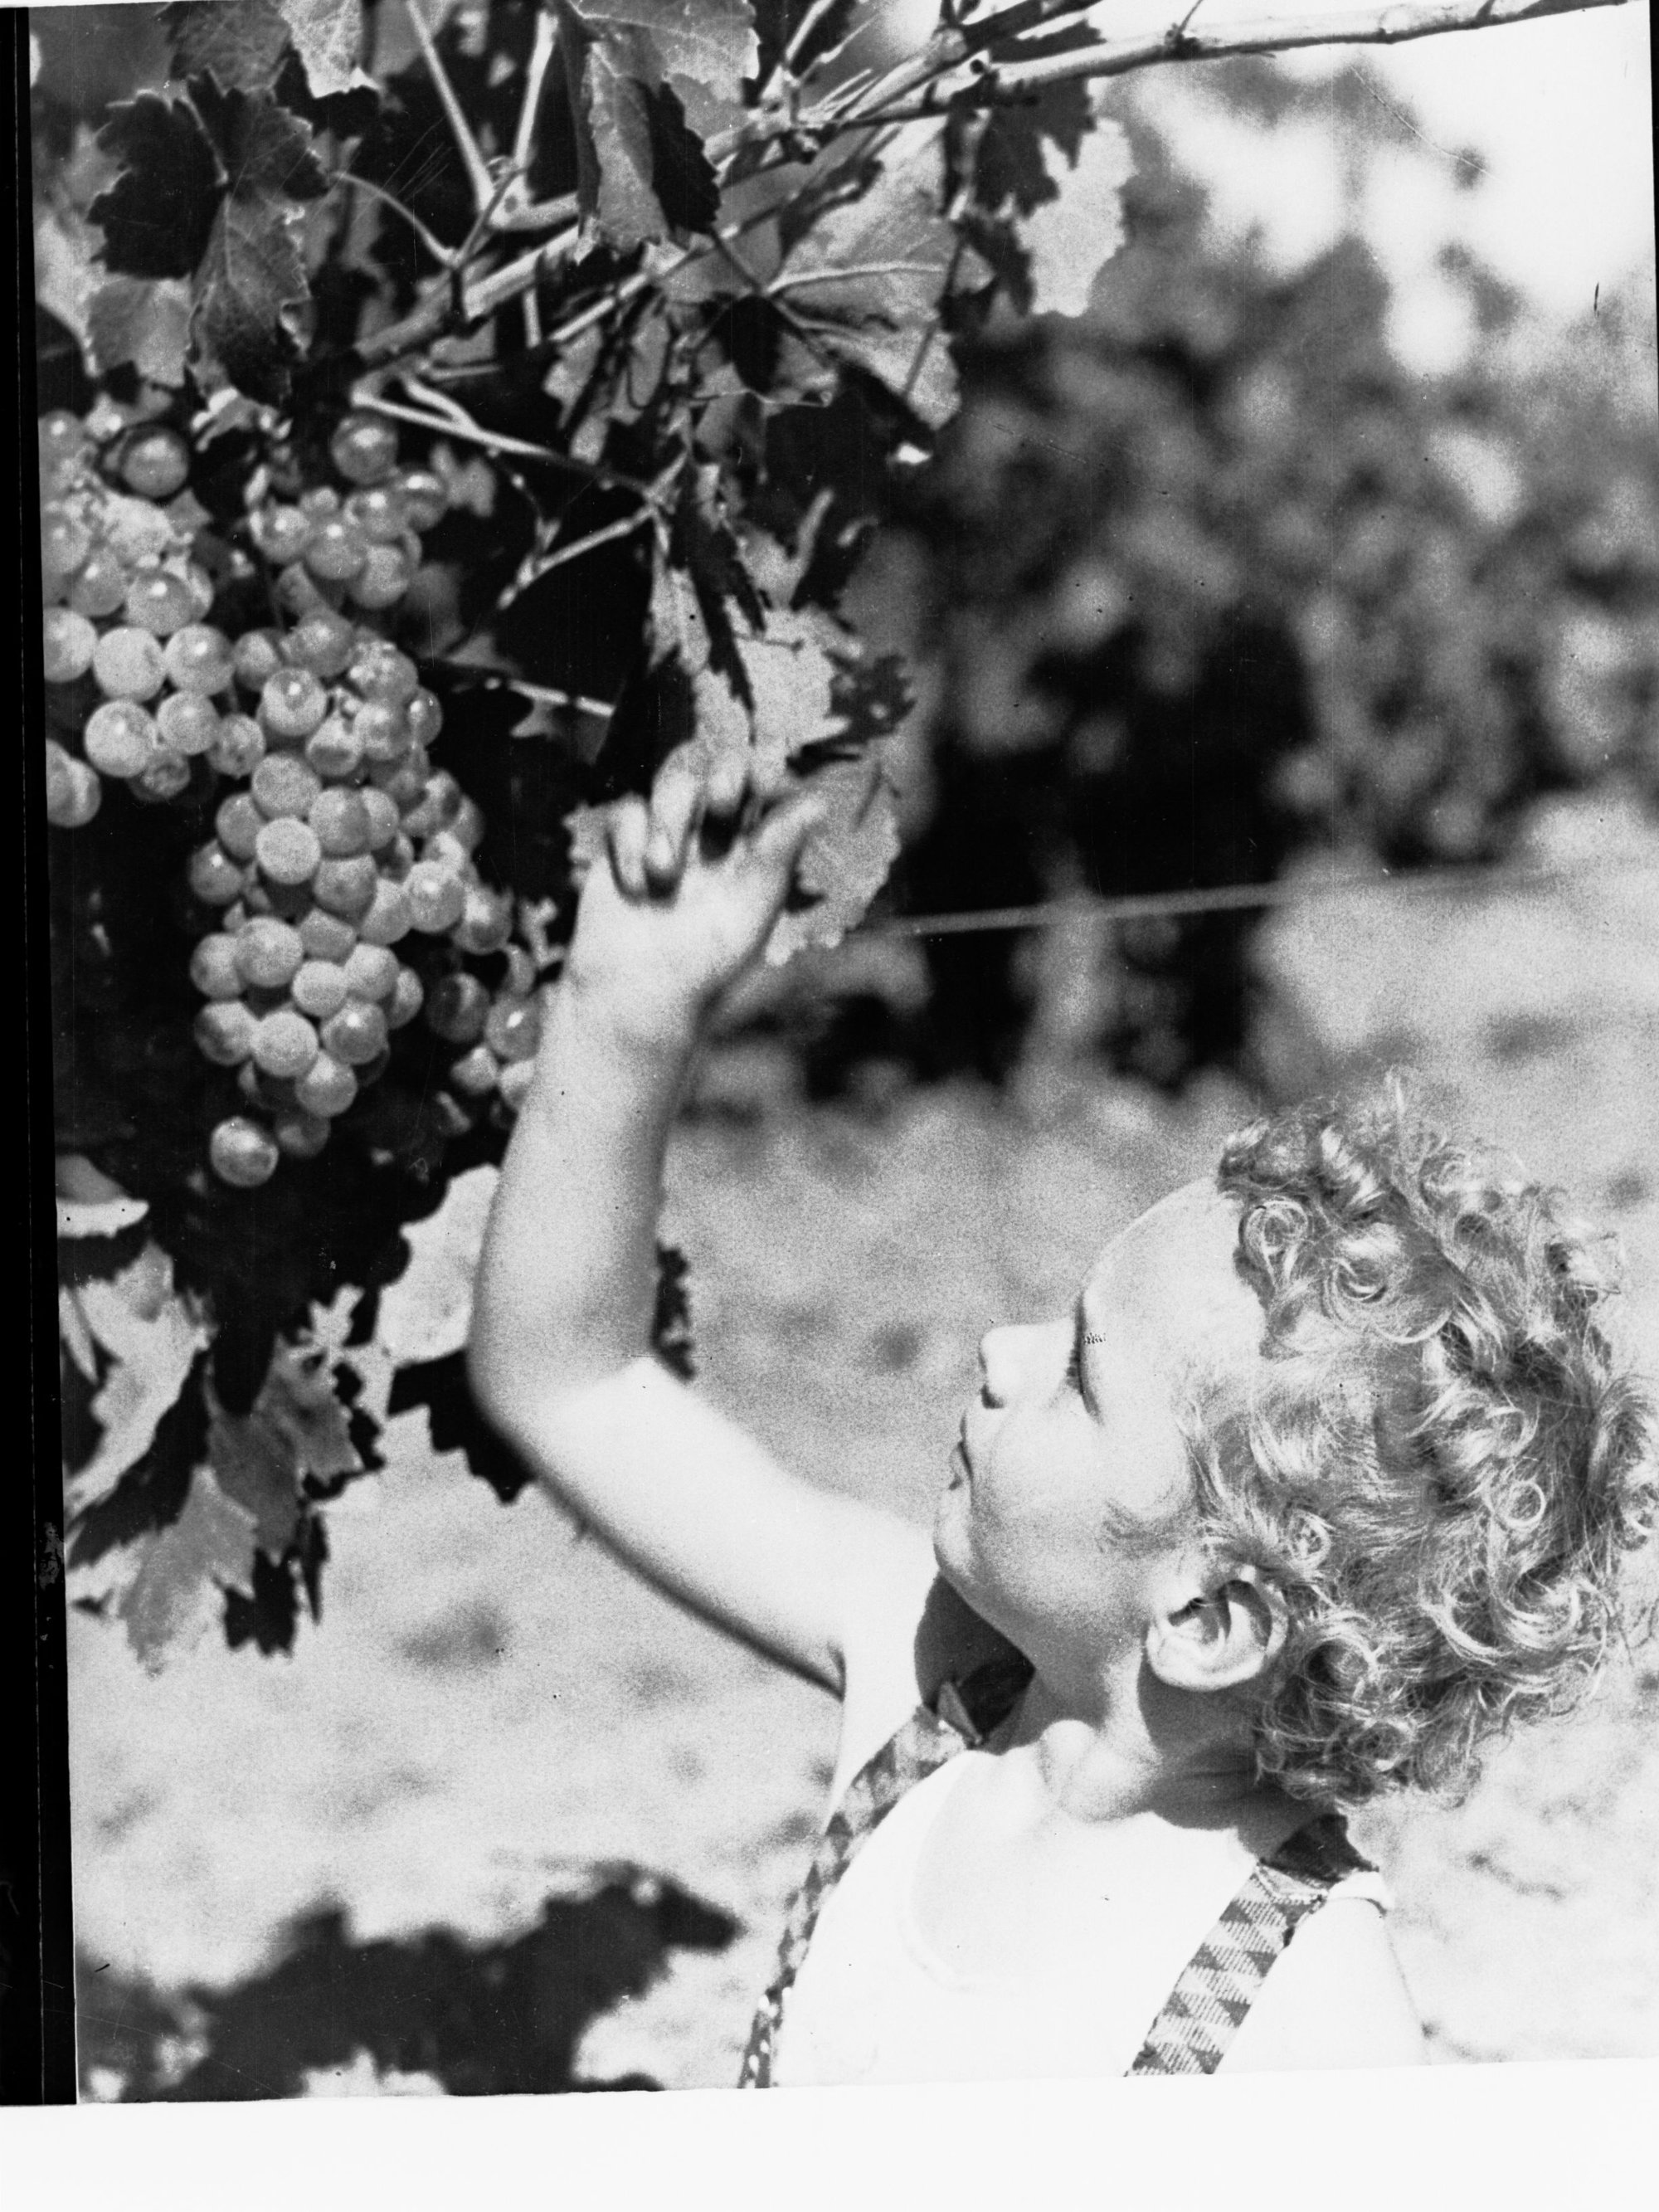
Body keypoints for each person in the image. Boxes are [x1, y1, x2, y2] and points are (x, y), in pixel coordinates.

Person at [469, 746, 1657, 2086]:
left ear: (1208, 1620)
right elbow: (570, 1384)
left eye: (1082, 1373)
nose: (999, 1350)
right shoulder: (928, 1684)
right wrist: (625, 1016)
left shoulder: (1304, 2016)